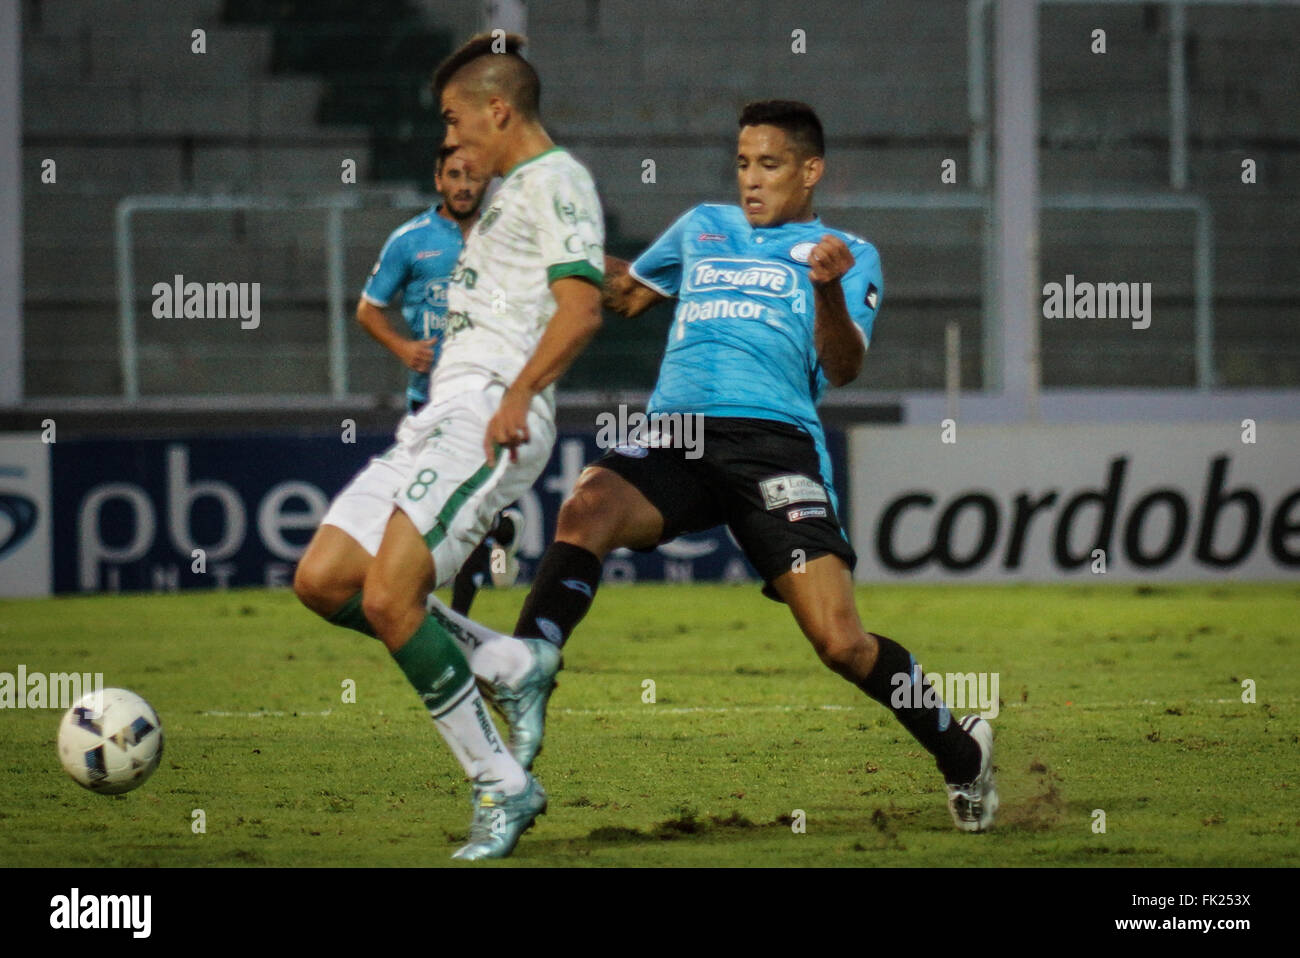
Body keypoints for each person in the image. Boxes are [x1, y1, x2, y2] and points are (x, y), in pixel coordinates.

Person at [443, 99, 998, 833]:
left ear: (810, 171)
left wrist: (826, 288)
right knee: (588, 506)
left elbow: (845, 364)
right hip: (675, 433)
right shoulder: (703, 227)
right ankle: (527, 665)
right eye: (742, 163)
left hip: (773, 444)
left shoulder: (846, 251)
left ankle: (962, 753)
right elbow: (628, 294)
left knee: (840, 643)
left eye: (769, 165)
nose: (751, 180)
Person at [292, 31, 605, 859]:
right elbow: (567, 273)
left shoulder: (557, 178)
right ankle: (506, 661)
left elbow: (579, 308)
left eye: (454, 119)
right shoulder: (510, 196)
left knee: (394, 599)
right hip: (439, 414)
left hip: (491, 412)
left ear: (498, 111)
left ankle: (502, 785)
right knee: (325, 580)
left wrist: (521, 392)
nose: (450, 140)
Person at [355, 144, 523, 616]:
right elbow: (368, 309)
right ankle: (501, 532)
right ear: (439, 180)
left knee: (459, 510)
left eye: (473, 177)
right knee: (427, 511)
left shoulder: (505, 237)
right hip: (426, 401)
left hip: (487, 398)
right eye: (455, 175)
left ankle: (460, 621)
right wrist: (404, 348)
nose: (465, 186)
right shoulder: (410, 240)